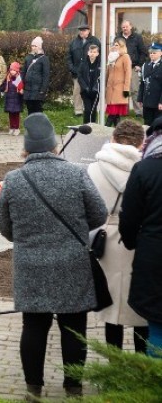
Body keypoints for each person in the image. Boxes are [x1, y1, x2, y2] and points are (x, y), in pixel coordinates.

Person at [0, 113, 109, 399]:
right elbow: (99, 214)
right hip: (73, 262)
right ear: (54, 146)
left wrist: (26, 240)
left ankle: (33, 388)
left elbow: (4, 227)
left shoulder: (13, 179)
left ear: (26, 148)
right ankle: (73, 388)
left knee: (33, 327)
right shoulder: (76, 174)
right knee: (73, 328)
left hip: (30, 265)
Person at [87, 120, 148, 353]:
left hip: (106, 239)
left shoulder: (94, 168)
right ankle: (140, 365)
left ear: (113, 138)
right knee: (140, 308)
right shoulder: (146, 167)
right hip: (138, 238)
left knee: (112, 308)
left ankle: (114, 361)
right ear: (141, 142)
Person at [119, 117, 162, 357]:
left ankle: (154, 386)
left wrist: (133, 243)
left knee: (156, 324)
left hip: (153, 256)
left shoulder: (144, 168)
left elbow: (130, 217)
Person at [67, 25, 100, 117]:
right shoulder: (74, 42)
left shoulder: (95, 41)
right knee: (77, 91)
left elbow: (99, 56)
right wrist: (72, 68)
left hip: (91, 72)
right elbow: (69, 57)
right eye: (80, 30)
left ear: (88, 31)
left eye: (84, 30)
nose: (81, 32)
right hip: (77, 72)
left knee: (90, 91)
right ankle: (78, 110)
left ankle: (90, 109)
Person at [118, 20, 147, 117]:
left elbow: (143, 52)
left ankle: (139, 112)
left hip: (133, 67)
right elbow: (113, 51)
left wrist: (139, 64)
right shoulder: (118, 38)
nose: (125, 29)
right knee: (122, 90)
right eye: (123, 27)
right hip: (120, 69)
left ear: (131, 27)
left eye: (126, 27)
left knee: (135, 90)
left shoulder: (137, 37)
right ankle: (123, 111)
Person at [106, 37, 132, 127]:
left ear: (122, 46)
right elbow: (108, 73)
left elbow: (128, 74)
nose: (115, 46)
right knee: (115, 115)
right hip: (110, 89)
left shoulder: (125, 57)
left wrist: (126, 89)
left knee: (112, 114)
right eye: (114, 44)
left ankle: (104, 130)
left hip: (119, 90)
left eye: (117, 45)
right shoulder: (111, 56)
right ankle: (119, 134)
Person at [22, 37, 50, 115]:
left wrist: (43, 89)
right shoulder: (28, 57)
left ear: (40, 46)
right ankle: (30, 126)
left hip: (38, 89)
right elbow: (23, 72)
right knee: (29, 109)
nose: (33, 47)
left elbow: (46, 75)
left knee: (38, 110)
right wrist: (21, 86)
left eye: (35, 46)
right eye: (32, 46)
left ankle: (38, 127)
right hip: (27, 89)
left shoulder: (44, 59)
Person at [138, 42, 162, 126]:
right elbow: (142, 83)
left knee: (157, 124)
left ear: (160, 53)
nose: (152, 54)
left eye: (154, 53)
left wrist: (161, 102)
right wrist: (140, 98)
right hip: (147, 101)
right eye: (150, 53)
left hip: (157, 101)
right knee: (147, 124)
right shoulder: (146, 65)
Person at [1, 62, 25, 136]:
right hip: (9, 99)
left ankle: (17, 128)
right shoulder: (7, 78)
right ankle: (11, 128)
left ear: (17, 71)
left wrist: (22, 92)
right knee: (10, 114)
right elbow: (4, 86)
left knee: (16, 115)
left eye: (14, 70)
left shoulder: (19, 78)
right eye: (11, 70)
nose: (12, 71)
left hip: (17, 99)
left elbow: (22, 88)